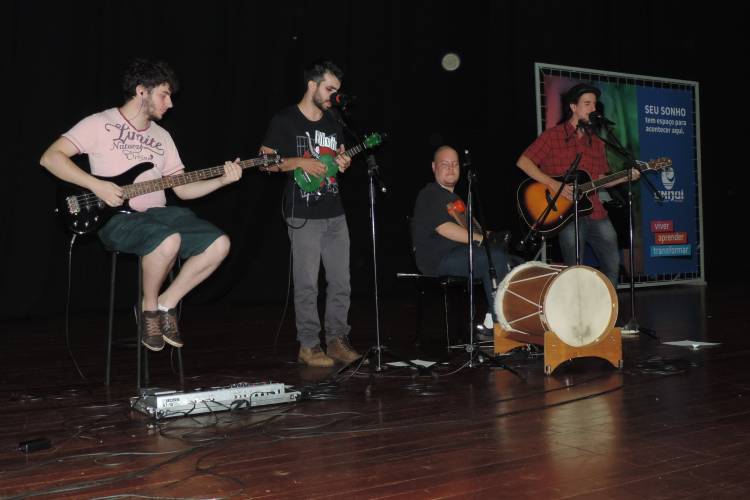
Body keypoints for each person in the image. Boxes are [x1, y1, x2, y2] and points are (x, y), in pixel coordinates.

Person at [40, 58, 242, 352]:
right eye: (164, 94)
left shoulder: (162, 137)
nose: (170, 103)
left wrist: (222, 180)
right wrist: (97, 185)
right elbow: (50, 158)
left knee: (219, 244)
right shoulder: (99, 123)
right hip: (117, 218)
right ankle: (148, 308)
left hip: (160, 215)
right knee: (168, 239)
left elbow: (183, 190)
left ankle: (166, 303)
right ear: (141, 91)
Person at [259, 59, 361, 368]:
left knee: (341, 281)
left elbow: (338, 158)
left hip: (335, 212)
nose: (334, 96)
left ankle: (337, 340)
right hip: (303, 213)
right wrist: (298, 162)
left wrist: (344, 162)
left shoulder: (334, 121)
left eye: (337, 90)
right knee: (307, 284)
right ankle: (309, 345)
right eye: (330, 89)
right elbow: (264, 162)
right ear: (312, 85)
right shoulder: (285, 120)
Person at [516, 82, 639, 285]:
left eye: (595, 104)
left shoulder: (597, 142)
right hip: (566, 213)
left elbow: (600, 179)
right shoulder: (553, 136)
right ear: (573, 107)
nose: (593, 108)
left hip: (596, 211)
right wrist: (554, 184)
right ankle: (575, 304)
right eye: (587, 104)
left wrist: (625, 176)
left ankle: (606, 303)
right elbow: (524, 162)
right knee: (575, 268)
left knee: (612, 264)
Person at [412, 145, 513, 333]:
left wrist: (491, 236)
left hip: (461, 253)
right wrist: (481, 239)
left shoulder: (457, 199)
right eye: (445, 164)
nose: (451, 168)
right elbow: (444, 228)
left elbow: (471, 230)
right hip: (439, 258)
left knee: (515, 262)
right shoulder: (429, 193)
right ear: (434, 167)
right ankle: (501, 328)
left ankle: (493, 321)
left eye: (455, 164)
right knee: (496, 258)